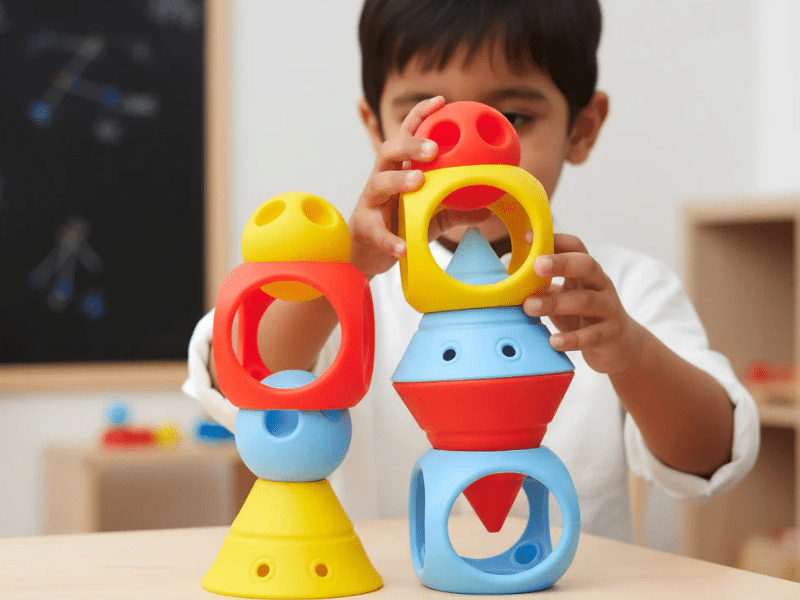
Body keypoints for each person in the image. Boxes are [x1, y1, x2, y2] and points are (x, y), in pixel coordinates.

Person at [183, 0, 759, 543]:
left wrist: (629, 350)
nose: (466, 155)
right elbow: (243, 381)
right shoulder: (360, 282)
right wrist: (347, 267)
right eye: (427, 122)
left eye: (513, 117)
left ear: (581, 130)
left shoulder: (618, 288)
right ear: (377, 129)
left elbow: (710, 456)